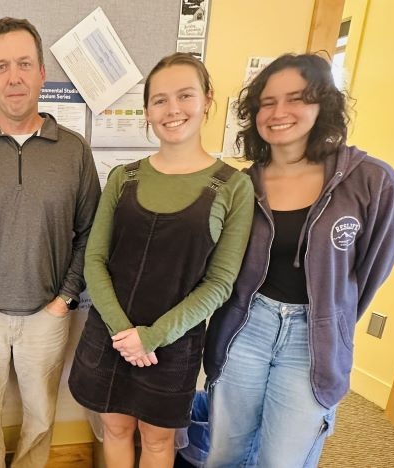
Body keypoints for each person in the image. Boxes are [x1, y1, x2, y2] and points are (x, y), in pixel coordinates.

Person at [204, 53, 394, 468]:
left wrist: (330, 320)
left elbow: (370, 272)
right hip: (247, 327)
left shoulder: (371, 181)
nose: (279, 113)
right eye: (267, 102)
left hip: (312, 339)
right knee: (224, 451)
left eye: (296, 98)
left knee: (281, 460)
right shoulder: (242, 185)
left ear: (323, 105)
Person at [67, 53, 254, 468]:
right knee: (114, 429)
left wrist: (150, 338)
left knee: (157, 443)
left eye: (185, 96)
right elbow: (94, 260)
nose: (173, 110)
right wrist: (124, 333)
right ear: (147, 112)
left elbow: (220, 283)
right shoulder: (124, 177)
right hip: (111, 333)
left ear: (207, 100)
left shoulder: (233, 187)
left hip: (174, 342)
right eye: (159, 100)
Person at [0, 17, 101, 468]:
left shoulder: (73, 150)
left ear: (41, 73)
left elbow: (90, 230)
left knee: (40, 416)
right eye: (2, 66)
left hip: (47, 315)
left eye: (24, 64)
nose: (14, 77)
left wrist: (65, 297)